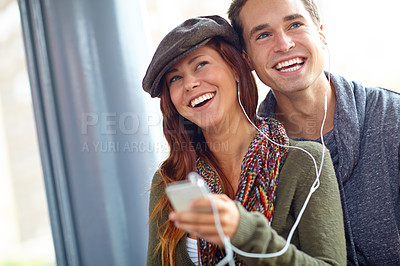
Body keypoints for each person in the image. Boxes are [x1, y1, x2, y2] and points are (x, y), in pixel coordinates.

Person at [142, 15, 345, 265]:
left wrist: (245, 231)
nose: (190, 84)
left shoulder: (306, 161)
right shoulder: (169, 180)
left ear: (236, 69)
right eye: (175, 78)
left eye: (201, 65)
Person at [227, 0, 400, 265]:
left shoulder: (392, 116)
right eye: (263, 35)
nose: (284, 44)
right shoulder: (251, 157)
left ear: (321, 34)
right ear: (246, 58)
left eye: (295, 24)